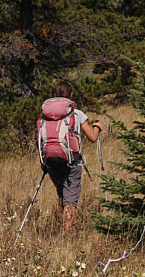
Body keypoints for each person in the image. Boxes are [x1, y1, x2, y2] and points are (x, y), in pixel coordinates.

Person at [43, 80, 102, 233]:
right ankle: (67, 237)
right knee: (70, 199)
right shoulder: (77, 114)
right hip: (72, 163)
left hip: (51, 161)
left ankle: (62, 223)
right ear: (71, 95)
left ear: (54, 95)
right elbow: (92, 138)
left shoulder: (46, 115)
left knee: (62, 193)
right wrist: (97, 128)